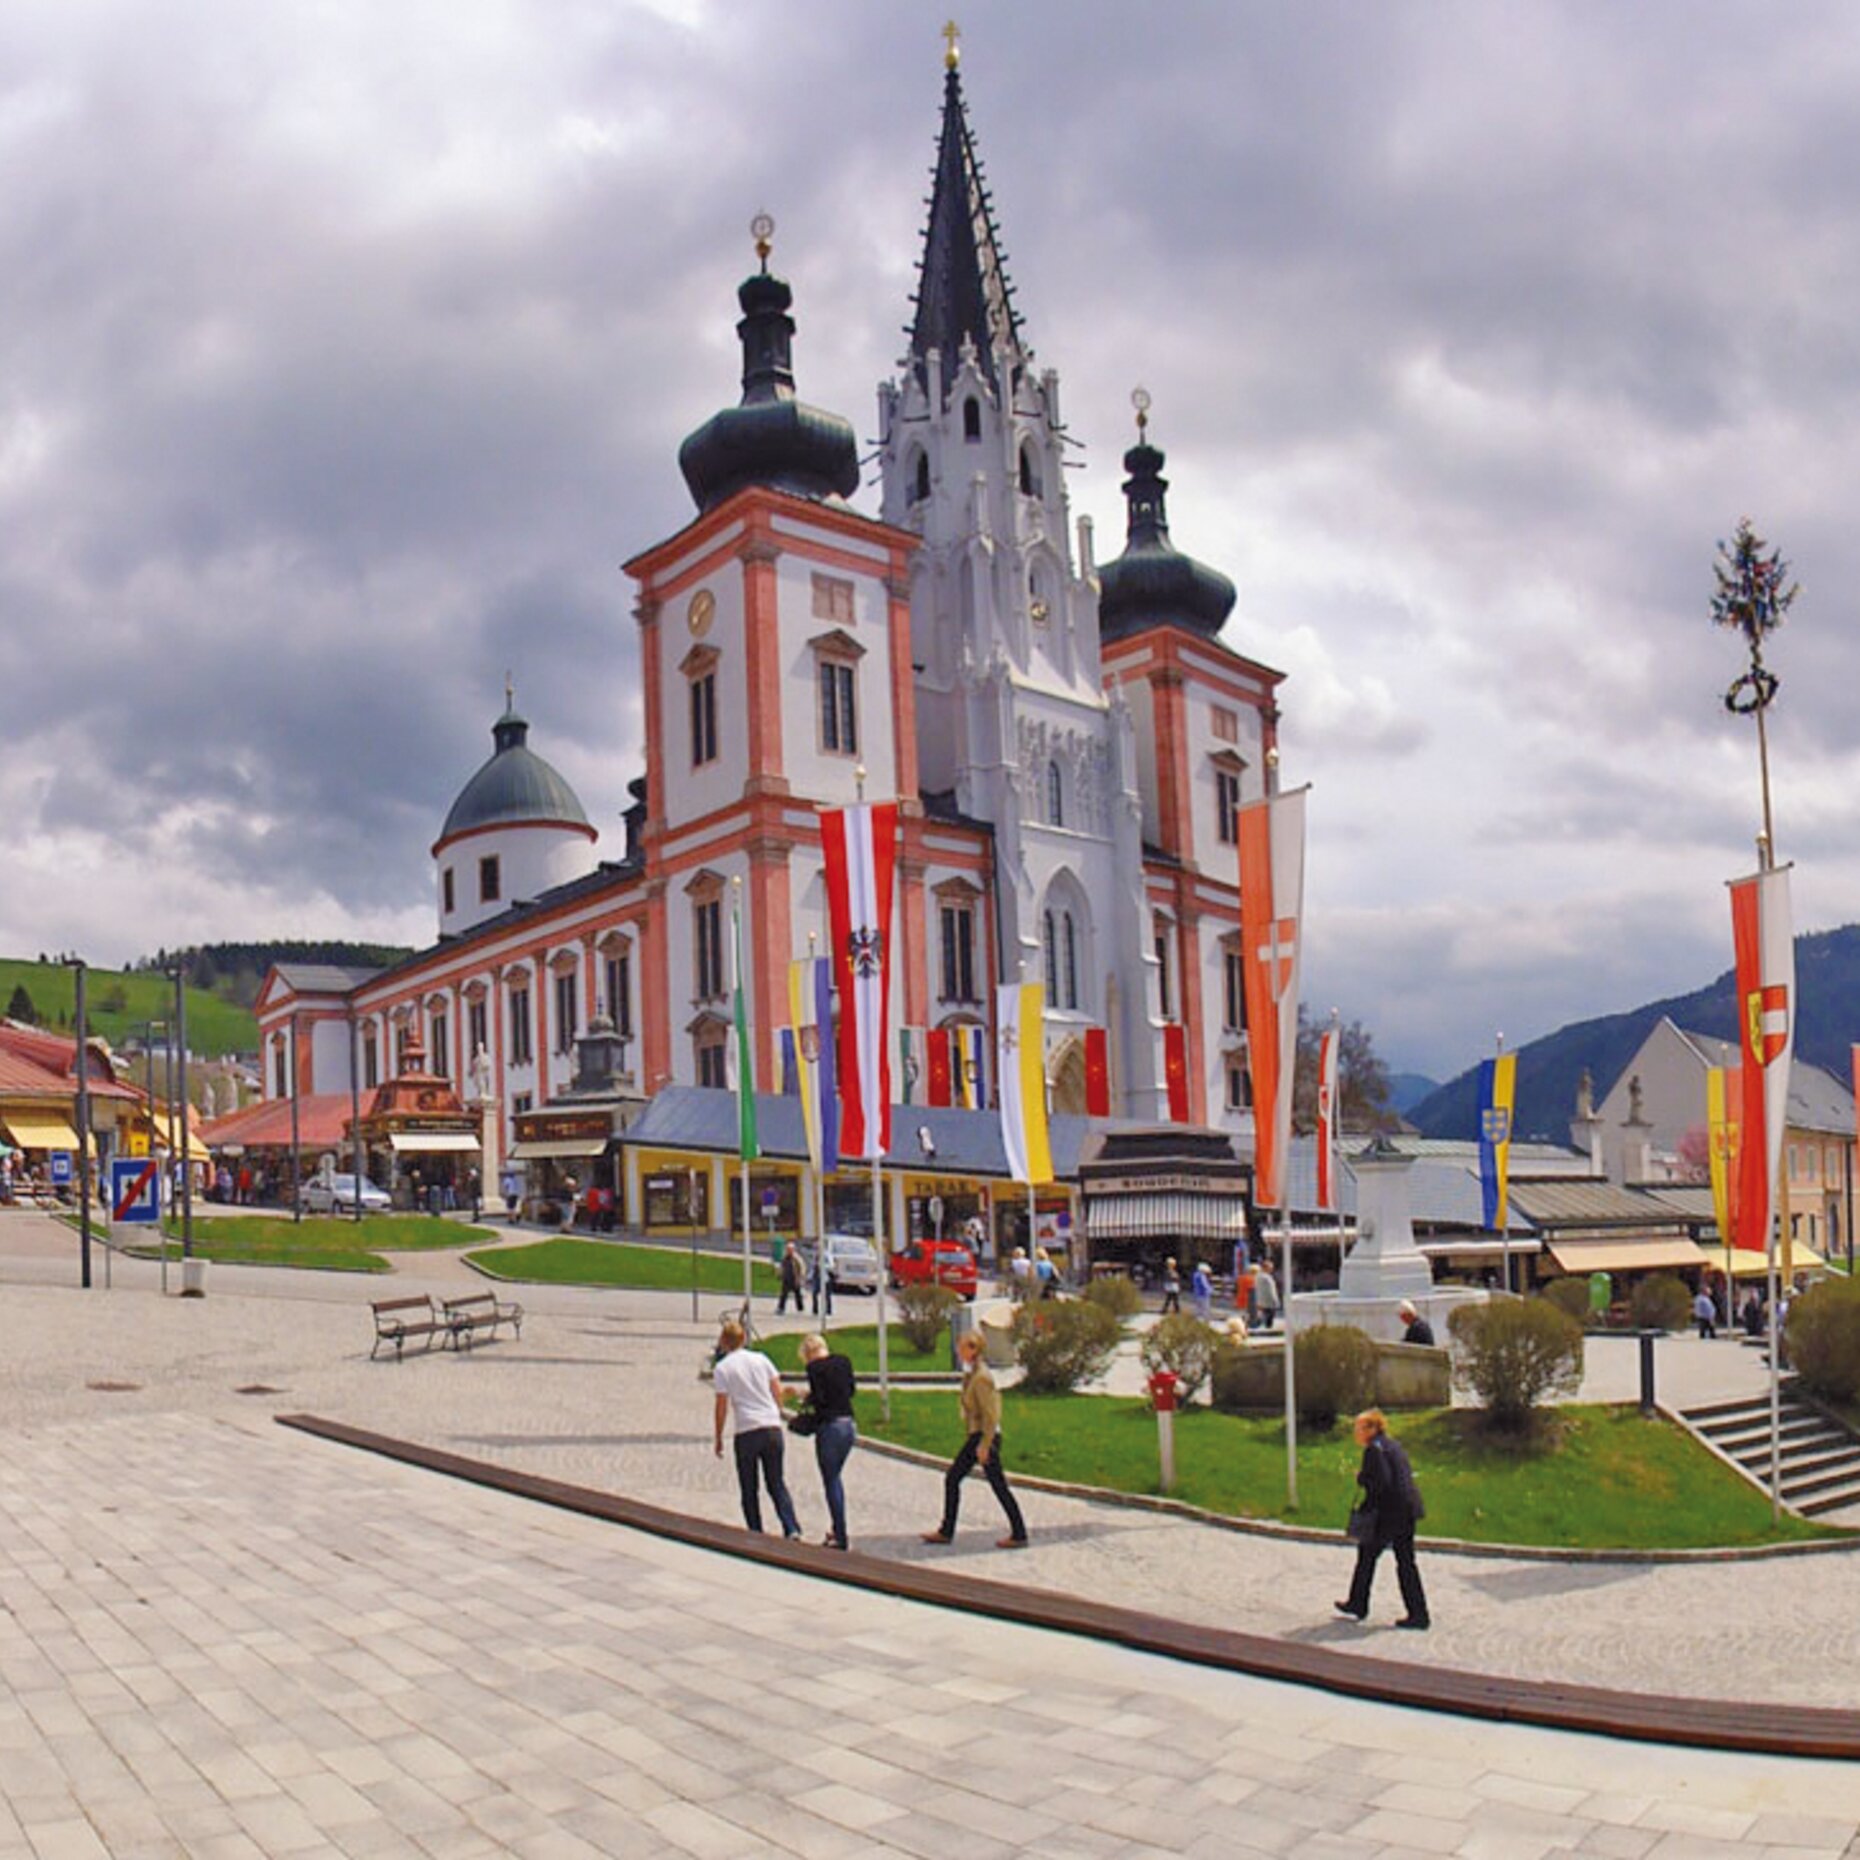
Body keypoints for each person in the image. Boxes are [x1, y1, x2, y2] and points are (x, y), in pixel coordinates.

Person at [921, 1329, 1028, 1550]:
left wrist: (985, 1444)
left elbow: (991, 1414)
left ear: (973, 1349)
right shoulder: (972, 1373)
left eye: (962, 1347)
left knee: (987, 1483)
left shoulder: (981, 1378)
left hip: (984, 1437)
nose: (958, 1351)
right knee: (959, 1479)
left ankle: (1018, 1533)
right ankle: (946, 1530)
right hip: (977, 1435)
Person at [1336, 1409, 1429, 1630]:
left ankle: (1359, 1603)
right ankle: (1418, 1613)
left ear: (1372, 1428)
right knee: (1405, 1561)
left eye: (1359, 1428)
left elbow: (1380, 1483)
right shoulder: (1393, 1446)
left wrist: (1362, 1479)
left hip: (1389, 1513)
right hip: (1407, 1509)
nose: (1356, 1433)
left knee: (1367, 1555)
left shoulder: (1374, 1450)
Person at [711, 1318, 802, 1539]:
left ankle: (755, 1531)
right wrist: (777, 1411)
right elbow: (776, 1389)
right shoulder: (761, 1360)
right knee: (776, 1481)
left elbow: (721, 1405)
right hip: (771, 1426)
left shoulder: (723, 1368)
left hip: (746, 1429)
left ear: (723, 1341)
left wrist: (719, 1436)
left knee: (749, 1486)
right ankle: (791, 1527)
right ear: (743, 1338)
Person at [799, 1333, 857, 1550]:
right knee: (836, 1478)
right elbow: (851, 1390)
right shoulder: (844, 1361)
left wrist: (807, 1398)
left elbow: (821, 1400)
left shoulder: (814, 1369)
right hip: (849, 1425)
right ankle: (836, 1528)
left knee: (831, 1481)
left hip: (830, 1428)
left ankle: (840, 1534)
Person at [778, 1242, 805, 1316]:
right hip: (787, 1279)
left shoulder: (796, 1258)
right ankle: (781, 1308)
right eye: (787, 1249)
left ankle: (800, 1308)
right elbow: (782, 1266)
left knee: (797, 1294)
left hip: (795, 1278)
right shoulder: (785, 1258)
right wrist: (780, 1274)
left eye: (790, 1249)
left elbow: (802, 1267)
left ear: (793, 1250)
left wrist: (801, 1277)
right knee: (784, 1294)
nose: (788, 1251)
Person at [1254, 1263, 1280, 1332]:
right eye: (1270, 1268)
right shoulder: (1266, 1278)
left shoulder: (1257, 1276)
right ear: (1265, 1268)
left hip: (1261, 1301)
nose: (1272, 1270)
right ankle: (1267, 1331)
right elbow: (1271, 1291)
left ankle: (1260, 1329)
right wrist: (1275, 1300)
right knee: (1269, 1319)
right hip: (1269, 1302)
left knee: (1263, 1317)